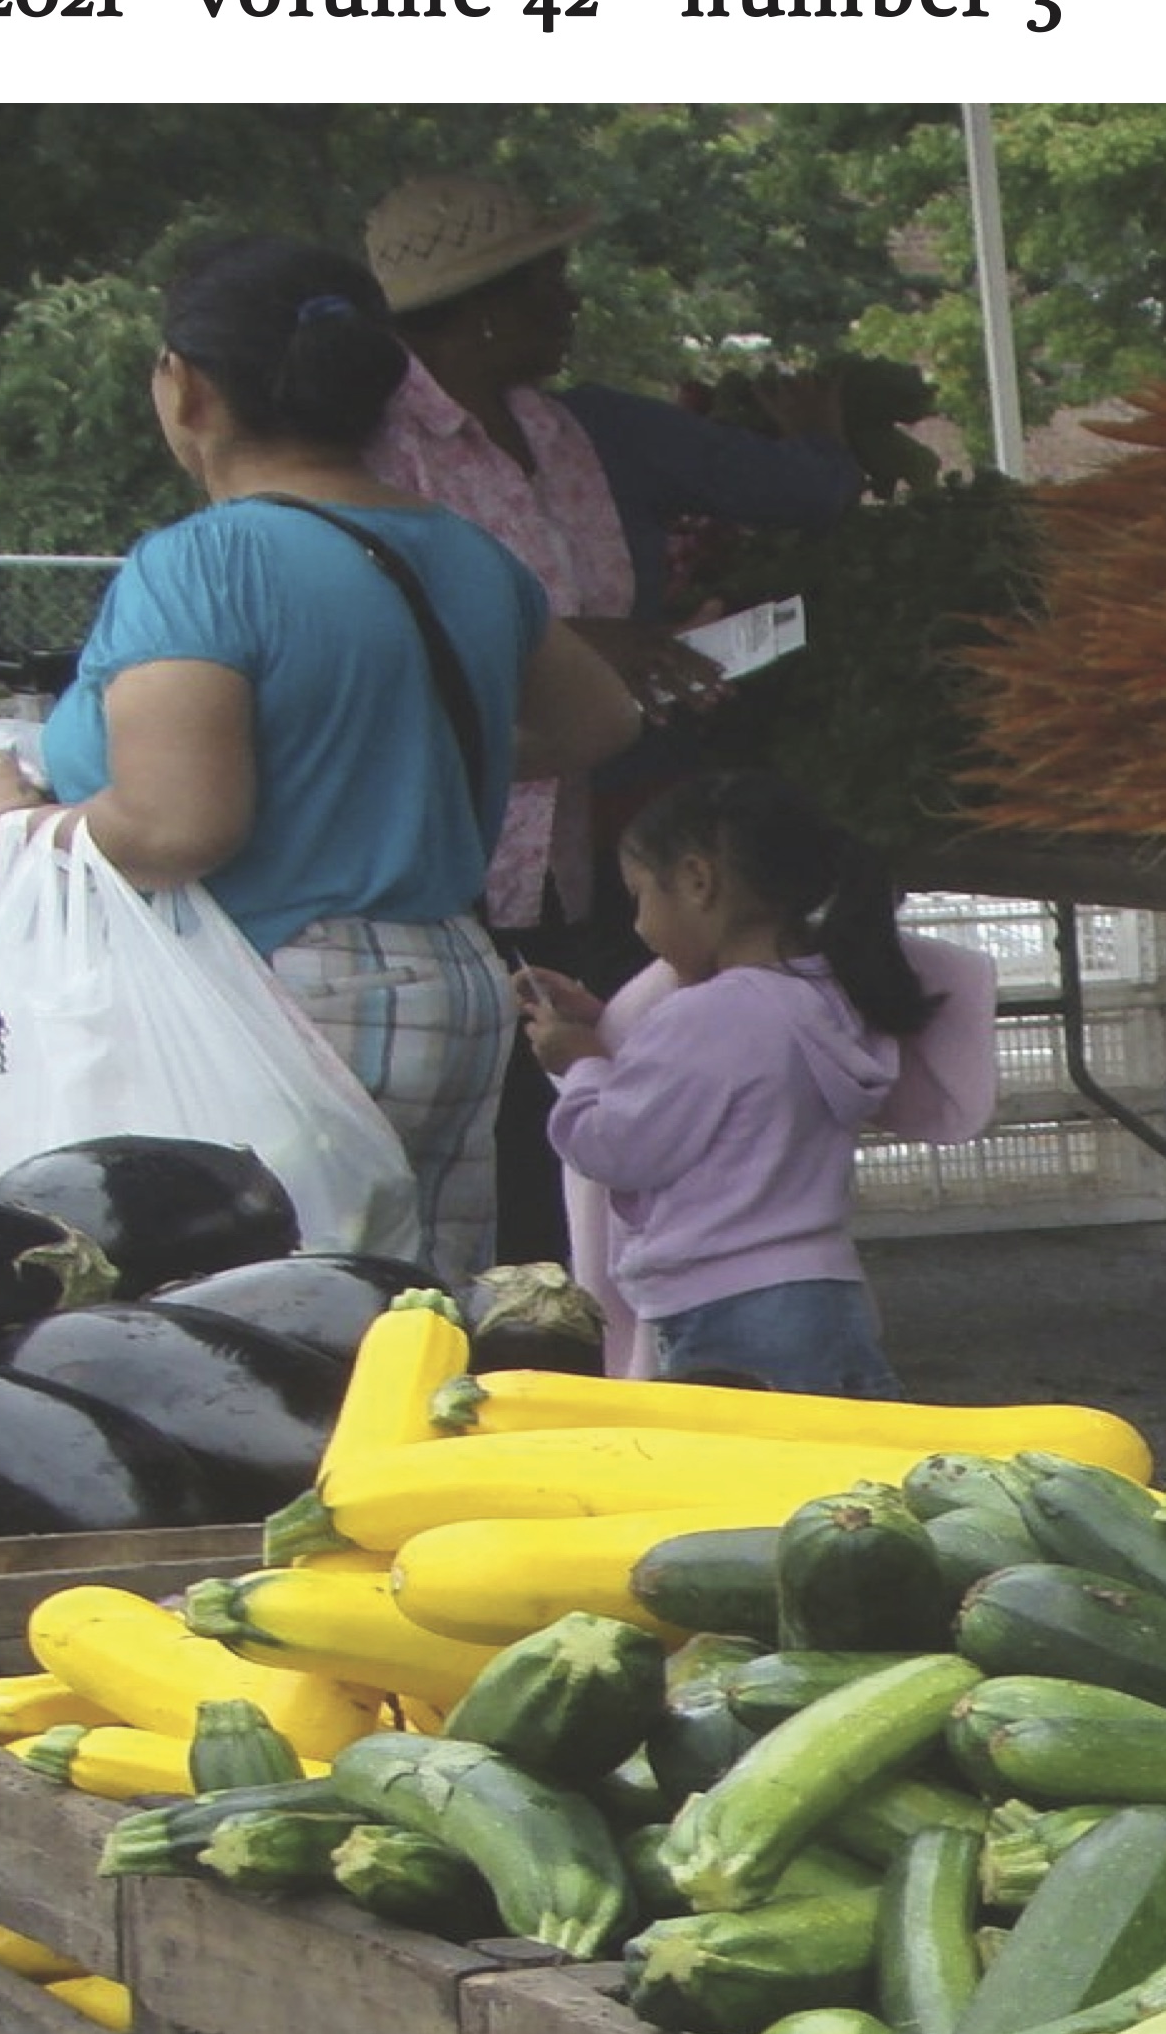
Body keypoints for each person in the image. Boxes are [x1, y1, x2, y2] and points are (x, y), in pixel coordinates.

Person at [0, 233, 644, 1289]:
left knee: (263, 1328)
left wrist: (18, 817)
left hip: (278, 996)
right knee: (408, 1329)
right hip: (450, 981)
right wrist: (394, 753)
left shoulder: (205, 561)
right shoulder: (463, 550)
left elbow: (179, 827)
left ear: (186, 388)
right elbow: (602, 719)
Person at [361, 167, 905, 1256]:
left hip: (591, 833)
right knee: (482, 1127)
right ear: (479, 311)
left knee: (572, 1103)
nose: (572, 304)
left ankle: (594, 1317)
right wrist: (560, 645)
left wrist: (820, 443)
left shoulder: (585, 432)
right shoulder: (377, 454)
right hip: (443, 844)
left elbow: (805, 494)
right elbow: (375, 639)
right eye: (548, 283)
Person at [515, 767, 977, 1398]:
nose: (639, 925)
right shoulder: (825, 998)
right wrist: (605, 1027)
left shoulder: (708, 1015)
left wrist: (582, 1065)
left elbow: (615, 1148)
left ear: (697, 882)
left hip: (728, 1308)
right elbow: (728, 1080)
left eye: (641, 897)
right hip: (823, 1296)